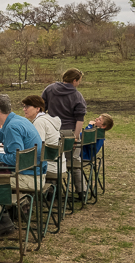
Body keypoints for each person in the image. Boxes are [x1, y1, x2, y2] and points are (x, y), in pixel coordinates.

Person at [0, 94, 46, 237]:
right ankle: (4, 215)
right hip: (36, 171)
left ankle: (2, 222)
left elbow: (15, 158)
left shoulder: (12, 126)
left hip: (30, 176)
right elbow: (13, 143)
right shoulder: (18, 120)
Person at [41, 68, 87, 197]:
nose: (78, 84)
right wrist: (75, 137)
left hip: (52, 131)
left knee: (52, 159)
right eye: (78, 81)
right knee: (73, 161)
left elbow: (41, 108)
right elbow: (79, 119)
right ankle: (81, 191)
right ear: (74, 80)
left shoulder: (49, 89)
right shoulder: (77, 95)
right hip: (69, 131)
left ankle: (51, 191)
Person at [22, 95, 63, 175]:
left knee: (13, 171)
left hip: (48, 167)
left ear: (38, 109)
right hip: (57, 164)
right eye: (24, 107)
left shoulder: (39, 122)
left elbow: (36, 148)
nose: (24, 109)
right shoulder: (47, 118)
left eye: (27, 106)